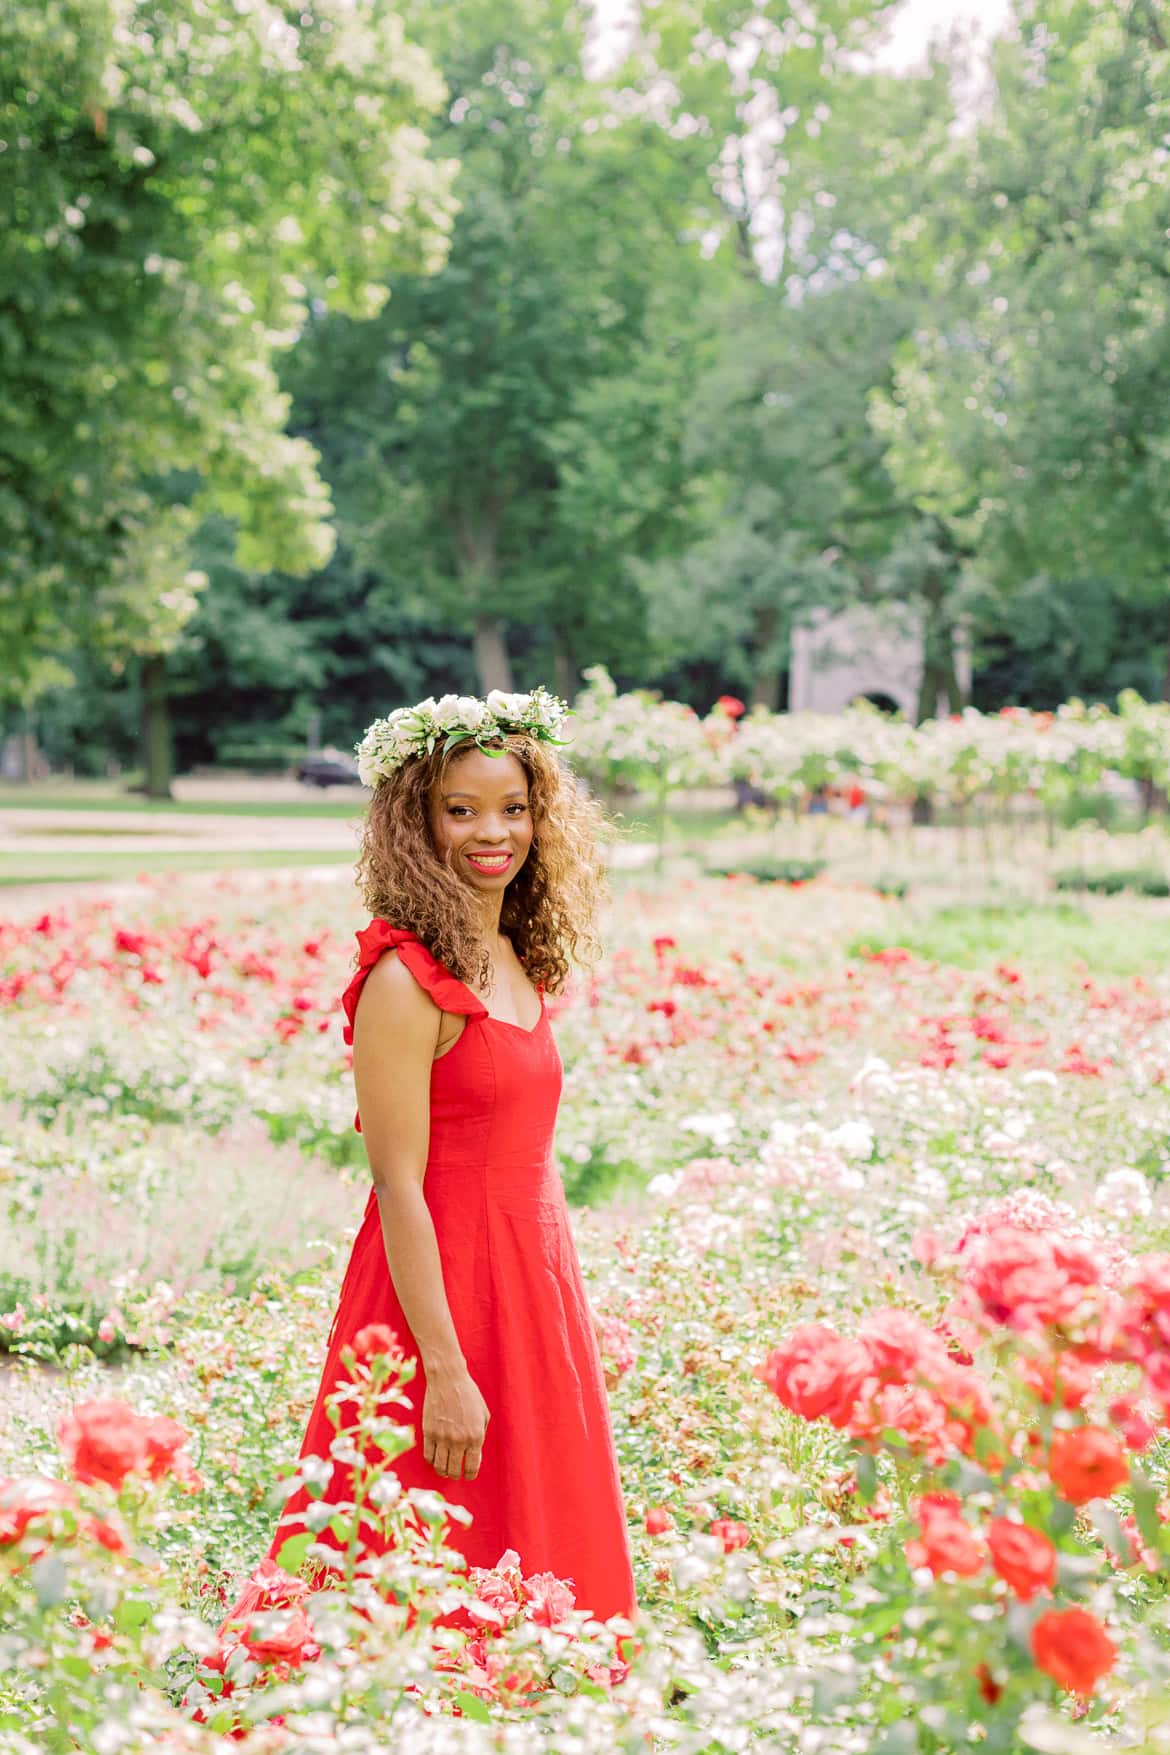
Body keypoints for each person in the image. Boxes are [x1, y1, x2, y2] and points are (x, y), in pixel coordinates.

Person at [230, 687, 637, 1628]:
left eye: (513, 807)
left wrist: (560, 1307)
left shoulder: (510, 952)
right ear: (417, 821)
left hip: (531, 1290)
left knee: (538, 1533)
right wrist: (445, 1370)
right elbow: (397, 1183)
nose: (492, 831)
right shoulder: (404, 980)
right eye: (460, 809)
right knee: (407, 1551)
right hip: (438, 1301)